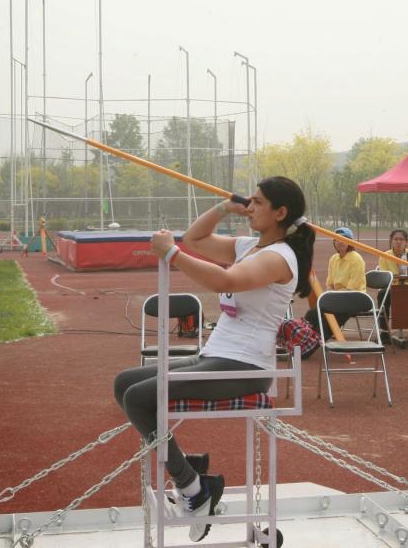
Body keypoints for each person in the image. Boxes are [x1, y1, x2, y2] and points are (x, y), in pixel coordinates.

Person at [113, 176, 314, 542]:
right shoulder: (250, 245)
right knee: (125, 382)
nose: (250, 207)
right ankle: (191, 473)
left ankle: (192, 487)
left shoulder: (278, 257)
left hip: (245, 367)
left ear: (281, 212)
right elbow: (196, 239)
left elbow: (226, 282)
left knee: (139, 398)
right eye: (249, 200)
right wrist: (224, 208)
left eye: (258, 202)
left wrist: (172, 255)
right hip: (219, 355)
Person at [303, 226, 366, 332]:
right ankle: (304, 337)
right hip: (338, 299)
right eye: (336, 239)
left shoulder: (357, 259)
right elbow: (330, 284)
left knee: (327, 321)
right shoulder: (333, 259)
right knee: (312, 314)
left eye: (343, 239)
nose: (339, 242)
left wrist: (333, 299)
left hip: (355, 299)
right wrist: (330, 298)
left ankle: (316, 342)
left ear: (350, 242)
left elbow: (352, 289)